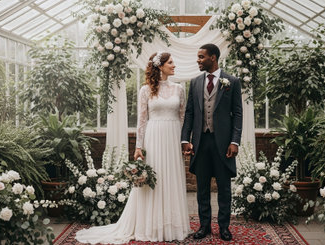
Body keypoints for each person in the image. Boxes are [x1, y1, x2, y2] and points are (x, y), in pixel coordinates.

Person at [75, 52, 190, 244]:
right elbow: (142, 121)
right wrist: (138, 147)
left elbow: (183, 118)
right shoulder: (146, 90)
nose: (174, 65)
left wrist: (186, 140)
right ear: (160, 66)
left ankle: (170, 226)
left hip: (172, 137)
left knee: (171, 178)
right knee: (153, 181)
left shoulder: (179, 89)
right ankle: (149, 225)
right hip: (154, 138)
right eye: (171, 62)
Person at [181, 43, 243, 241]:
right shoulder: (195, 82)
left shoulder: (232, 81)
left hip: (223, 144)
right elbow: (189, 113)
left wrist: (235, 141)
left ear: (213, 58)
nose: (198, 60)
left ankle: (224, 227)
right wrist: (185, 139)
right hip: (201, 142)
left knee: (224, 188)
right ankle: (204, 226)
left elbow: (238, 114)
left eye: (201, 57)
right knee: (202, 188)